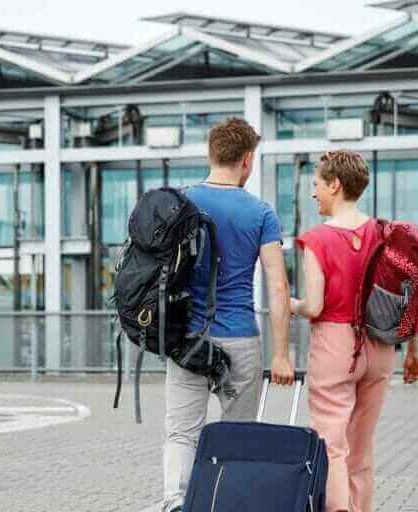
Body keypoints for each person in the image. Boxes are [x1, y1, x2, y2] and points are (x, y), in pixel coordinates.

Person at [162, 117, 294, 512]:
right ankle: (231, 503)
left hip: (187, 339)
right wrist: (281, 354)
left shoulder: (180, 204)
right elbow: (278, 287)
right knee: (238, 434)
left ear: (211, 153)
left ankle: (175, 504)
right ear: (247, 160)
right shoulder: (260, 213)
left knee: (182, 434)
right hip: (240, 337)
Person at [290, 150, 418, 512]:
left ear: (335, 185)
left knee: (331, 445)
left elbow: (315, 306)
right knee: (361, 448)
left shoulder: (315, 240)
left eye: (316, 184)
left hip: (335, 345)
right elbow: (410, 292)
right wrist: (414, 350)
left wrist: (291, 304)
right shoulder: (384, 233)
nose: (313, 192)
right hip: (381, 347)